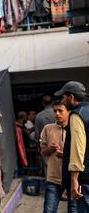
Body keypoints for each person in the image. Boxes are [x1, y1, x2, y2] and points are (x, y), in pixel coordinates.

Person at [56, 81, 89, 212]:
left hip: (85, 176)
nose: (62, 101)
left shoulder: (77, 115)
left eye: (63, 97)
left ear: (71, 97)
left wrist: (74, 179)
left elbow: (78, 147)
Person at [40, 100, 76, 213]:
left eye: (60, 111)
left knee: (74, 210)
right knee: (49, 210)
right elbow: (42, 152)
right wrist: (50, 149)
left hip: (73, 178)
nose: (57, 114)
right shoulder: (48, 128)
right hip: (53, 178)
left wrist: (66, 155)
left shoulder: (76, 129)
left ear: (69, 112)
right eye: (55, 111)